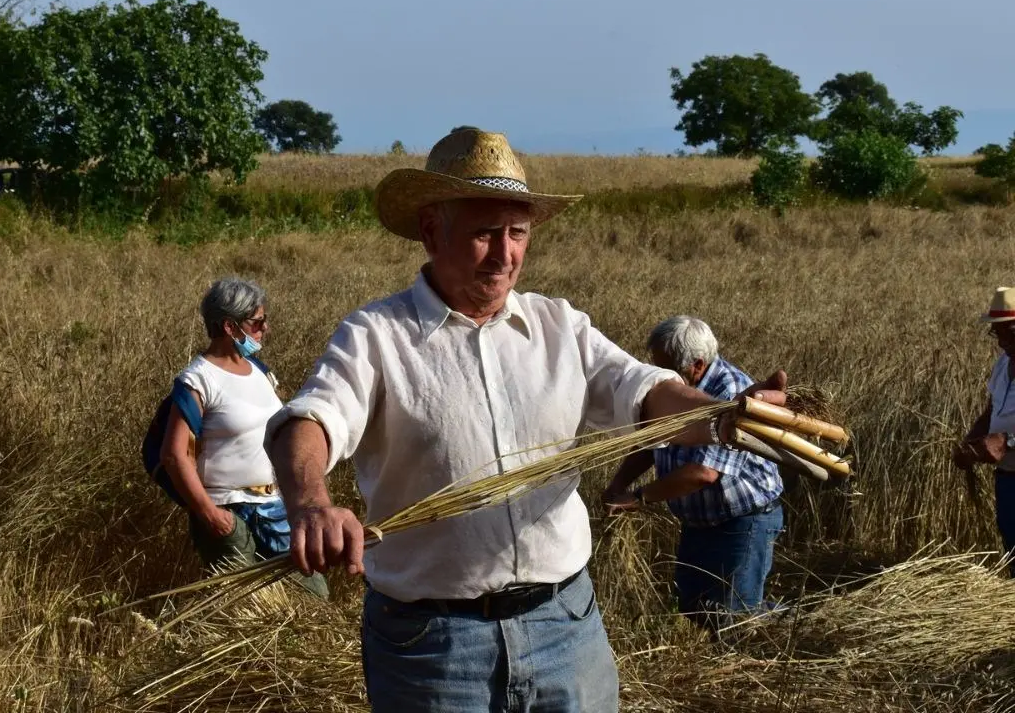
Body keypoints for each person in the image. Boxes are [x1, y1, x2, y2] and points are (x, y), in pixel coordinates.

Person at [263, 127, 789, 712]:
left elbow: (645, 392)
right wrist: (310, 504)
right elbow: (309, 420)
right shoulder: (376, 335)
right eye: (485, 233)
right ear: (432, 231)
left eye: (517, 234)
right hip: (432, 645)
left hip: (564, 625)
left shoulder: (560, 327)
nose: (505, 254)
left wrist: (725, 418)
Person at [601, 316, 785, 631]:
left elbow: (704, 473)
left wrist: (640, 497)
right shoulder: (671, 392)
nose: (660, 376)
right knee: (694, 606)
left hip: (742, 521)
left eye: (667, 367)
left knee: (732, 617)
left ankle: (780, 630)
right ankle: (773, 619)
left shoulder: (732, 395)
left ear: (697, 365)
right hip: (700, 522)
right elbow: (650, 443)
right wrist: (618, 483)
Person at [159, 277, 328, 599]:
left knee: (312, 595)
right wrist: (211, 514)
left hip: (274, 508)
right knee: (242, 604)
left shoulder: (260, 371)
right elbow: (174, 455)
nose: (265, 329)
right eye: (257, 322)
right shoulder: (197, 380)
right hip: (229, 512)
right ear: (229, 326)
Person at [951, 285, 1015, 577]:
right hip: (1007, 477)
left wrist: (1008, 442)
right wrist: (972, 442)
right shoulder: (1003, 364)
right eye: (997, 332)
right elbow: (992, 411)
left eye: (1010, 330)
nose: (1003, 340)